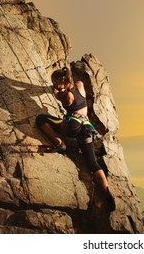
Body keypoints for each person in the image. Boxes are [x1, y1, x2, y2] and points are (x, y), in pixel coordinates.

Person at [35, 67, 115, 212]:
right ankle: (106, 191)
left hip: (73, 126)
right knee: (92, 162)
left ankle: (59, 142)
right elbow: (68, 85)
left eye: (55, 82)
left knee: (41, 119)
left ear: (60, 81)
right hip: (87, 128)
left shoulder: (66, 96)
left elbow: (56, 94)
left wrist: (56, 89)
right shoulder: (79, 85)